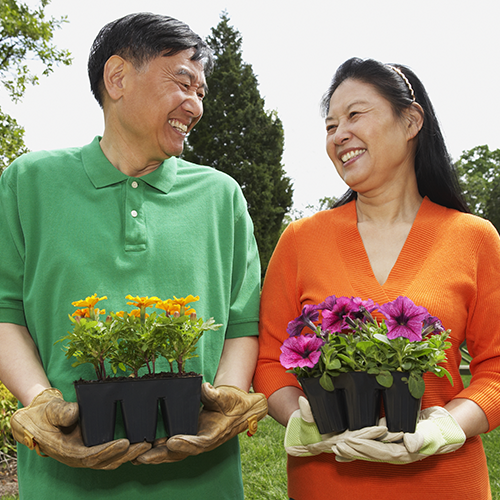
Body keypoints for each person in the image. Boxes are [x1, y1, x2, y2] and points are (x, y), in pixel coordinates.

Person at [0, 13, 267, 500]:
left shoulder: (220, 195)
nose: (195, 105)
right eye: (183, 83)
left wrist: (225, 397)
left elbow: (242, 321)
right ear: (117, 77)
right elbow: (5, 311)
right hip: (66, 482)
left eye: (201, 93)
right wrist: (39, 402)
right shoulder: (29, 183)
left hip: (201, 480)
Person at [253, 57, 500, 499]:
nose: (339, 135)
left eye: (354, 115)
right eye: (330, 126)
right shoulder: (300, 240)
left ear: (410, 121)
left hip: (445, 484)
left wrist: (444, 426)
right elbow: (270, 360)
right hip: (327, 484)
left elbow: (496, 367)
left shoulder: (474, 238)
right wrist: (303, 419)